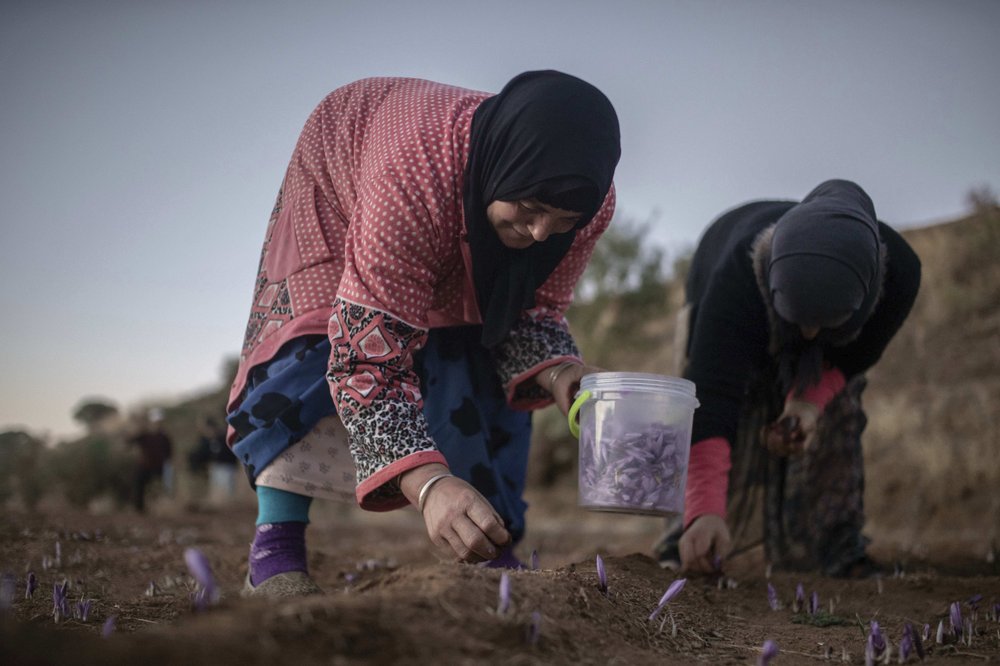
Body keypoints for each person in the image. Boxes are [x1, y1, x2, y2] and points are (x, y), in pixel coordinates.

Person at [226, 71, 621, 597]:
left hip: (435, 198)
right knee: (320, 339)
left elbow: (532, 310)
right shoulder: (409, 179)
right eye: (529, 210)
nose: (542, 233)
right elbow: (365, 361)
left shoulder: (589, 205)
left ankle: (483, 539)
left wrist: (565, 375)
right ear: (501, 167)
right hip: (347, 180)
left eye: (562, 219)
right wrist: (429, 485)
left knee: (471, 345)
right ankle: (276, 546)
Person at [653, 179, 921, 577]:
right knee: (711, 421)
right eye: (800, 321)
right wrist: (704, 508)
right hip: (724, 283)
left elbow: (854, 358)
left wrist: (806, 404)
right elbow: (711, 396)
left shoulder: (899, 275)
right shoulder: (736, 279)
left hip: (823, 313)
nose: (810, 336)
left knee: (840, 410)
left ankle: (835, 545)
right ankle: (687, 539)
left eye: (824, 324)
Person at [127, 410, 174, 513]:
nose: (157, 424)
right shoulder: (144, 435)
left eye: (159, 422)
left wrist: (168, 466)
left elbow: (169, 453)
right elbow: (130, 441)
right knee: (138, 483)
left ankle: (162, 506)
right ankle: (139, 508)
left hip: (159, 467)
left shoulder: (164, 436)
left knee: (163, 487)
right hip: (145, 466)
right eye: (155, 422)